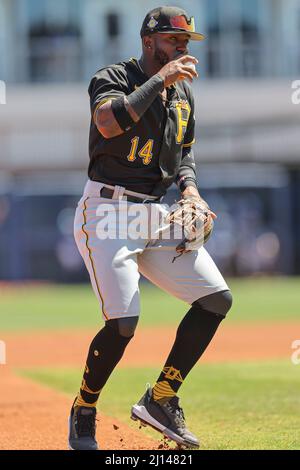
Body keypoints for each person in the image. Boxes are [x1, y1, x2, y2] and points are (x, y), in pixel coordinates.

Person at [68, 6, 232, 450]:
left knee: (215, 299)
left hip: (155, 214)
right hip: (107, 212)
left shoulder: (183, 96)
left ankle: (161, 397)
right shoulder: (114, 77)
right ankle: (85, 408)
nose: (182, 49)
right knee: (123, 323)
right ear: (149, 41)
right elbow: (108, 121)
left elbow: (184, 155)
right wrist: (160, 80)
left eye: (186, 43)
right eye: (174, 41)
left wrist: (192, 191)